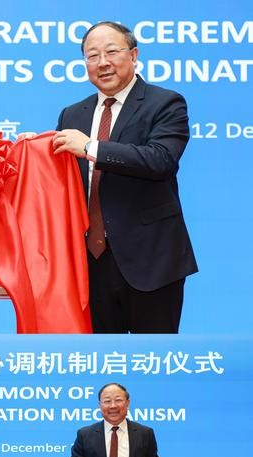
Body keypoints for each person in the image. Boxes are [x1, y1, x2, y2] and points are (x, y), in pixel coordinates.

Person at [53, 21, 198, 333]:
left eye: (111, 52)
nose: (102, 62)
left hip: (151, 259)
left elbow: (160, 160)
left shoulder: (165, 103)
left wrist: (91, 147)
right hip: (89, 261)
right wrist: (34, 150)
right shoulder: (72, 114)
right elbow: (59, 178)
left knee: (153, 356)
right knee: (99, 357)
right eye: (93, 56)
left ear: (133, 55)